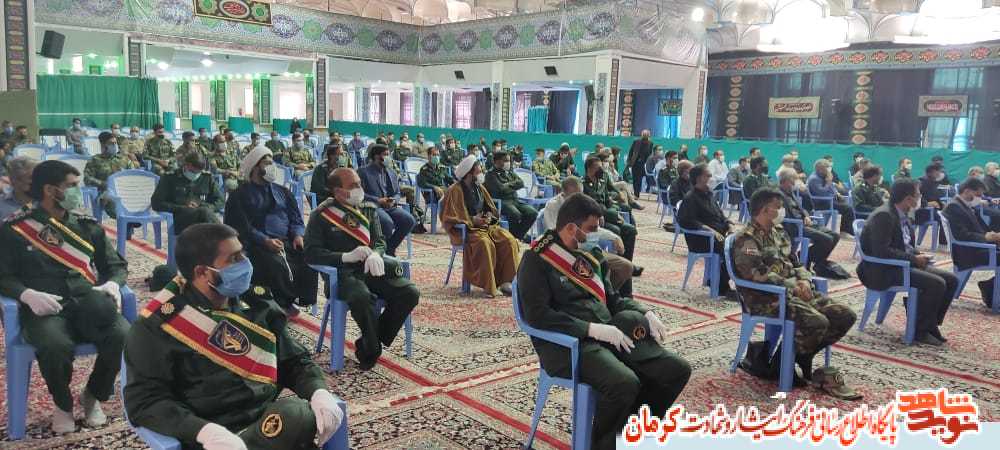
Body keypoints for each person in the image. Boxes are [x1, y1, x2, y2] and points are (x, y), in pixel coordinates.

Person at [124, 223, 343, 449]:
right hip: (211, 437)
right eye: (234, 259)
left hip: (266, 425)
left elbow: (294, 361)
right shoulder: (159, 325)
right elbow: (145, 401)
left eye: (243, 254)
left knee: (296, 416)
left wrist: (318, 391)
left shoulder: (258, 303)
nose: (245, 263)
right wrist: (204, 432)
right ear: (202, 272)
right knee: (295, 417)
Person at [518, 192, 690, 450]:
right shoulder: (537, 258)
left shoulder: (590, 256)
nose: (595, 234)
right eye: (591, 229)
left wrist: (645, 312)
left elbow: (613, 299)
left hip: (609, 334)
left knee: (675, 370)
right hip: (568, 346)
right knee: (625, 383)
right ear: (571, 228)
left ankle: (630, 433)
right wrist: (590, 329)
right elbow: (538, 315)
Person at [0, 160, 129, 433]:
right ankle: (63, 404)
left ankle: (93, 395)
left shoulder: (87, 226)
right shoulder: (16, 228)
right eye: (71, 185)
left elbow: (115, 266)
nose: (77, 191)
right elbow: (3, 275)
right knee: (54, 344)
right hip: (45, 307)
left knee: (124, 335)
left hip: (88, 304)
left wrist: (113, 284)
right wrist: (26, 294)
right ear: (50, 190)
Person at [733, 188, 860, 397]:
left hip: (793, 292)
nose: (781, 211)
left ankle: (796, 357)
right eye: (777, 207)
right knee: (817, 322)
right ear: (764, 210)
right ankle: (786, 362)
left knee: (845, 315)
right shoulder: (746, 239)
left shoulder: (779, 232)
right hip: (766, 298)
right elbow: (756, 275)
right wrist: (793, 285)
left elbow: (796, 262)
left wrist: (804, 280)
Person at [304, 167, 420, 370]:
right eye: (354, 185)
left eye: (359, 183)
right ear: (338, 191)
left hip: (370, 269)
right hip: (342, 275)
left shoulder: (368, 209)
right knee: (361, 297)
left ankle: (368, 342)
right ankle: (372, 349)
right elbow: (311, 253)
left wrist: (376, 253)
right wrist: (345, 256)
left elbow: (380, 240)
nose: (360, 188)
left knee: (409, 292)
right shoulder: (321, 215)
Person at [857, 178, 958, 346]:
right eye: (918, 194)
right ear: (908, 198)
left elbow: (905, 244)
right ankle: (920, 330)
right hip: (882, 270)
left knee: (952, 280)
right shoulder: (884, 216)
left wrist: (917, 254)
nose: (920, 197)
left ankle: (929, 324)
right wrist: (913, 259)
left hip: (901, 264)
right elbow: (881, 251)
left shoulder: (902, 214)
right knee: (937, 284)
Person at [224, 146, 317, 312]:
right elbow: (241, 226)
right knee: (275, 265)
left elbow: (296, 219)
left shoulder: (283, 192)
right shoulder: (239, 195)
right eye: (266, 163)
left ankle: (300, 299)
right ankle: (281, 304)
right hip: (257, 243)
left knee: (308, 258)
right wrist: (265, 240)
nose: (272, 167)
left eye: (272, 162)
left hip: (287, 241)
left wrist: (298, 235)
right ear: (254, 167)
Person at [544, 177, 642, 294]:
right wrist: (576, 236)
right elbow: (554, 233)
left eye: (580, 194)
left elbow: (595, 229)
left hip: (590, 249)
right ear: (563, 193)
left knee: (626, 267)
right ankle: (595, 295)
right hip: (567, 253)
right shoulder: (553, 206)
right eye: (574, 195)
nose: (578, 200)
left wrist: (615, 237)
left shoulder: (582, 204)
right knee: (594, 271)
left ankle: (604, 295)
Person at [440, 155, 520, 297]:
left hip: (485, 227)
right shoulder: (455, 190)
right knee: (484, 243)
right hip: (468, 230)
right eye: (479, 170)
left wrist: (488, 216)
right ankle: (488, 286)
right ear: (470, 173)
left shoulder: (479, 187)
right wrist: (472, 220)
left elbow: (490, 208)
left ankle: (508, 282)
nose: (482, 172)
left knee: (508, 240)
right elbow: (450, 216)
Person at [676, 164, 735, 298]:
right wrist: (709, 230)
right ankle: (721, 287)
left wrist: (729, 225)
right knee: (730, 250)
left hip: (718, 236)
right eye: (708, 175)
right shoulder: (690, 198)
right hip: (701, 239)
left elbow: (720, 215)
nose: (711, 177)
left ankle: (720, 280)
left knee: (740, 244)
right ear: (699, 178)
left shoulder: (709, 194)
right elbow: (685, 221)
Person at [777, 168, 848, 279]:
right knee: (827, 239)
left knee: (835, 236)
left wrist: (806, 216)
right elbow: (781, 216)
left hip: (804, 222)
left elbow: (802, 208)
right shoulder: (778, 195)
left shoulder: (790, 192)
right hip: (794, 226)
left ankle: (814, 261)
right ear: (785, 180)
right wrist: (800, 220)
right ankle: (809, 260)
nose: (794, 183)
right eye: (792, 181)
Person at [942, 177, 1000, 309]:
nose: (980, 198)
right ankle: (990, 290)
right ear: (967, 191)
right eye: (978, 195)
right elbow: (962, 236)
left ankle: (989, 287)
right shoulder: (954, 207)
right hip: (968, 252)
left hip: (977, 248)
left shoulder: (965, 206)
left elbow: (981, 229)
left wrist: (993, 236)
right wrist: (987, 238)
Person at [358, 144, 416, 256]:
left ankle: (389, 248)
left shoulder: (391, 172)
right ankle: (379, 248)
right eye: (385, 155)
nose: (388, 157)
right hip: (372, 206)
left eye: (388, 154)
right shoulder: (363, 172)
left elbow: (397, 192)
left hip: (389, 206)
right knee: (387, 223)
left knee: (409, 220)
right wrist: (378, 200)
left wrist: (394, 200)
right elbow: (360, 193)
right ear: (376, 156)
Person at [151, 152, 223, 234]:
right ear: (186, 165)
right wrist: (182, 207)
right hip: (180, 219)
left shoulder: (206, 178)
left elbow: (220, 200)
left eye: (199, 172)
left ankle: (223, 236)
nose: (196, 175)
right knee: (205, 214)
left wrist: (204, 206)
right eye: (193, 172)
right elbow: (156, 203)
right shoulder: (170, 178)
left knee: (204, 213)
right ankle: (226, 235)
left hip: (204, 219)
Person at [583, 157, 637, 261]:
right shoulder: (583, 184)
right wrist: (615, 215)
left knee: (631, 230)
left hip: (607, 216)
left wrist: (616, 208)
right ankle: (617, 262)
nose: (601, 170)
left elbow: (607, 202)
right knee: (616, 230)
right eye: (598, 167)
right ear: (589, 169)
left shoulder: (601, 181)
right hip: (594, 220)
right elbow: (590, 207)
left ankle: (627, 262)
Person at [485, 151, 537, 240]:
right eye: (505, 160)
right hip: (502, 202)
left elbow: (521, 183)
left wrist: (507, 185)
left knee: (532, 213)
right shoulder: (490, 174)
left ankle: (517, 237)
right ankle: (513, 239)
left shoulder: (509, 172)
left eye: (509, 160)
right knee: (516, 215)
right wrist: (512, 185)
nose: (508, 163)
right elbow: (501, 189)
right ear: (497, 161)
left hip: (515, 200)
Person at [84, 131, 138, 217]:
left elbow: (133, 174)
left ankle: (132, 219)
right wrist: (103, 184)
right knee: (118, 209)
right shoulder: (95, 160)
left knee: (139, 202)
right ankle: (125, 219)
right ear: (103, 145)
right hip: (106, 192)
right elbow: (87, 178)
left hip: (125, 190)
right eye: (111, 143)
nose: (114, 146)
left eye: (115, 143)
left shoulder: (123, 159)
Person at [807, 158, 856, 236]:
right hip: (821, 203)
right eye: (827, 167)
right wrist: (829, 182)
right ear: (820, 169)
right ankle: (849, 230)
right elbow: (822, 193)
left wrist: (837, 194)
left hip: (830, 200)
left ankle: (844, 229)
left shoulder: (823, 176)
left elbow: (832, 188)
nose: (829, 170)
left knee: (847, 204)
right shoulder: (814, 179)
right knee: (847, 208)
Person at [917, 163, 949, 246]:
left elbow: (934, 198)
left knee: (948, 214)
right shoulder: (921, 182)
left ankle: (944, 242)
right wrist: (927, 203)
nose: (940, 173)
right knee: (944, 217)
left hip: (933, 210)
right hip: (923, 212)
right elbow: (916, 198)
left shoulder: (933, 182)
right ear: (931, 172)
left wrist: (941, 204)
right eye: (938, 171)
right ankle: (943, 243)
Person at [626, 130, 653, 197]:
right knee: (635, 179)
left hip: (644, 164)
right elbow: (631, 151)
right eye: (644, 134)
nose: (645, 135)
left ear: (649, 135)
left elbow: (650, 154)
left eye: (646, 134)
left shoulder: (650, 143)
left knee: (640, 179)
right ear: (642, 135)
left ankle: (640, 192)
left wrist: (648, 163)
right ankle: (636, 193)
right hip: (635, 163)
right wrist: (629, 161)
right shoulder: (636, 141)